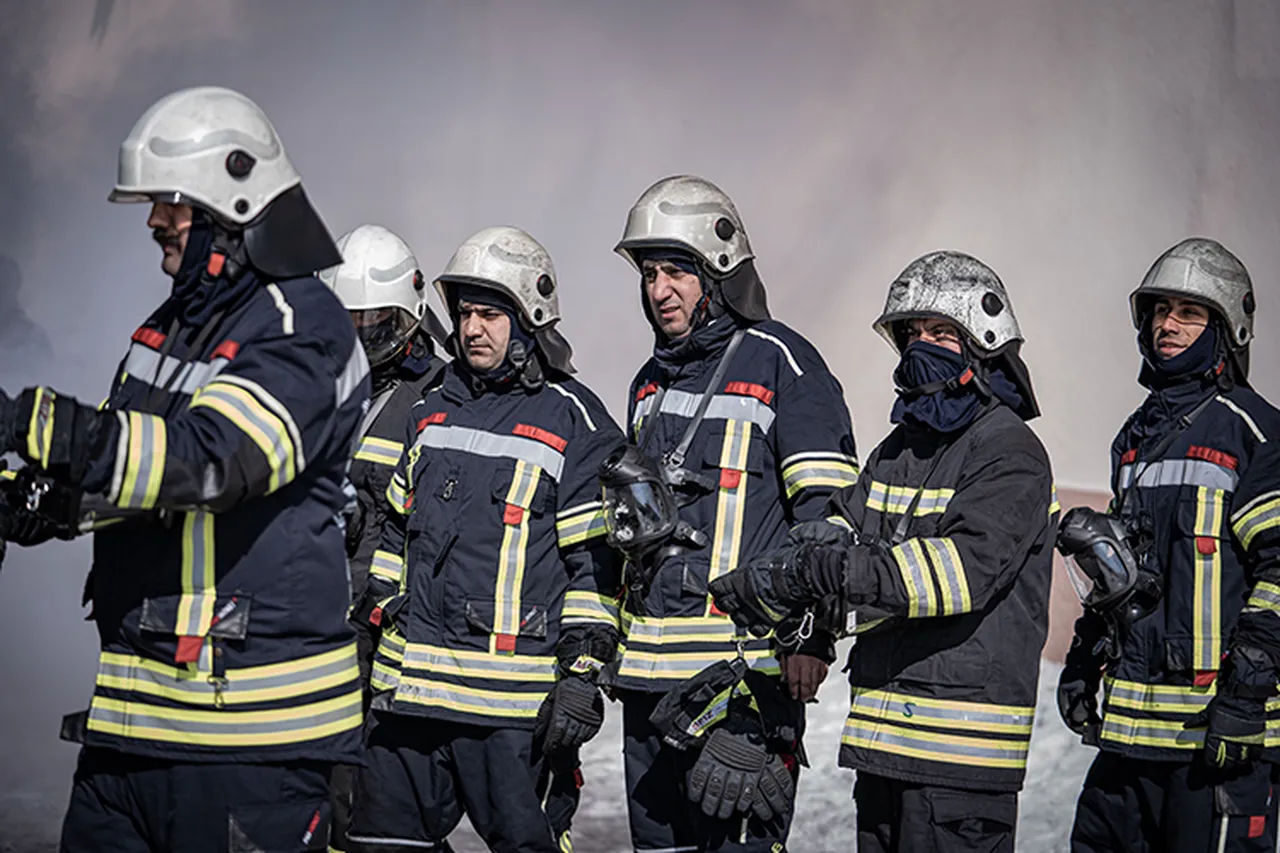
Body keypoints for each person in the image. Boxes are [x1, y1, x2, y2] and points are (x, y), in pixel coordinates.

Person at [0, 85, 369, 851]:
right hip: (130, 731)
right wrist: (37, 500)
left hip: (249, 745)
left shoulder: (303, 329)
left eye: (169, 201)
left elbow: (209, 462)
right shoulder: (167, 331)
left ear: (230, 202)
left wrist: (26, 420)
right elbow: (130, 473)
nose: (154, 221)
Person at [710, 250, 1057, 853]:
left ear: (983, 342)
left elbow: (958, 573)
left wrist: (827, 569)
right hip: (885, 750)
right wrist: (792, 600)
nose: (923, 345)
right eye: (912, 332)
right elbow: (841, 530)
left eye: (942, 332)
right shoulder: (898, 450)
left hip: (960, 769)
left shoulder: (1010, 451)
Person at [600, 175, 859, 852]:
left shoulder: (783, 362)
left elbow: (827, 521)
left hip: (741, 693)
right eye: (650, 274)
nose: (659, 290)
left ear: (718, 272)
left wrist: (810, 638)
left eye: (676, 272)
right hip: (647, 693)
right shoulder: (649, 383)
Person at [346, 225, 624, 853]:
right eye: (465, 313)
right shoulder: (430, 408)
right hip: (410, 700)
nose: (472, 329)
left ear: (531, 317)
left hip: (511, 714)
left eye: (491, 313)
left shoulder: (573, 419)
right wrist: (380, 613)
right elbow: (394, 531)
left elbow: (596, 568)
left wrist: (582, 674)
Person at [1060, 238, 1280, 852]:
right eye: (1159, 310)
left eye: (1188, 312)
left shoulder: (1254, 433)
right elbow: (1120, 571)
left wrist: (1247, 694)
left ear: (1227, 327)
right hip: (1131, 740)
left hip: (1218, 744)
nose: (1167, 324)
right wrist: (1085, 658)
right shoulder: (1134, 438)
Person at [317, 224, 449, 853]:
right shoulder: (318, 387)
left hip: (390, 632)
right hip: (318, 620)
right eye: (352, 321)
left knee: (379, 807)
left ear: (412, 315)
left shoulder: (444, 396)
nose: (365, 336)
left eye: (378, 322)